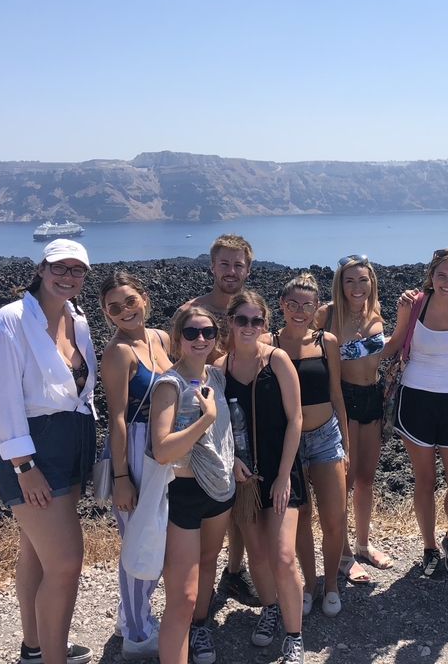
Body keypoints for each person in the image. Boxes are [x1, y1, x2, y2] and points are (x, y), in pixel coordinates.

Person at [0, 239, 96, 664]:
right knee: (65, 564)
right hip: (34, 450)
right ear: (41, 269)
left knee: (36, 548)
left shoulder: (76, 319)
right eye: (59, 267)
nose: (68, 276)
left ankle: (35, 647)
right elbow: (0, 399)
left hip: (72, 442)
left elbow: (79, 391)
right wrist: (24, 466)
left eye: (77, 270)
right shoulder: (9, 321)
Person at [149, 306, 236, 664]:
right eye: (191, 333)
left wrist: (234, 459)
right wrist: (206, 418)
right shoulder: (169, 385)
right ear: (178, 338)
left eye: (208, 332)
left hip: (220, 489)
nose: (200, 339)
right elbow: (162, 451)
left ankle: (200, 628)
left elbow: (225, 431)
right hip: (183, 494)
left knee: (209, 562)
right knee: (182, 598)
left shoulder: (216, 376)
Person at [222, 292, 306, 664]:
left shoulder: (277, 360)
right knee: (257, 553)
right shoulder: (219, 368)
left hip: (280, 471)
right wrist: (230, 463)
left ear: (265, 324)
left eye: (257, 321)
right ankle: (270, 608)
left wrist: (284, 476)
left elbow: (296, 419)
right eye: (242, 319)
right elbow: (215, 429)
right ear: (230, 322)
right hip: (242, 477)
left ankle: (294, 635)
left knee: (283, 556)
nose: (249, 327)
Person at [178, 233, 259, 606]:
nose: (231, 271)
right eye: (224, 264)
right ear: (212, 266)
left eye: (237, 265)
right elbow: (177, 366)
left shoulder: (249, 311)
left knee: (239, 501)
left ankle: (234, 572)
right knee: (205, 509)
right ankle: (197, 593)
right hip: (203, 424)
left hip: (243, 420)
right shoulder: (192, 313)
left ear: (248, 269)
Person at [314, 255, 404, 584]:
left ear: (371, 282)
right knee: (344, 482)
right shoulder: (327, 314)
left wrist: (406, 316)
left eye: (362, 280)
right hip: (345, 400)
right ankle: (343, 554)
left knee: (366, 479)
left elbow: (386, 349)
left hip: (373, 397)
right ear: (339, 283)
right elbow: (307, 350)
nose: (356, 287)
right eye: (349, 280)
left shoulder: (375, 311)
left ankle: (364, 545)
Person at [98, 272, 174, 658]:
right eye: (115, 307)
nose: (125, 311)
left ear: (143, 297)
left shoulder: (160, 338)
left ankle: (129, 616)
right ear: (106, 313)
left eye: (130, 301)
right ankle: (137, 633)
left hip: (161, 450)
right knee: (141, 541)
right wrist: (121, 477)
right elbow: (117, 419)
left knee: (153, 537)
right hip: (134, 451)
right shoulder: (118, 352)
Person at [394, 249, 448, 577]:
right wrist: (349, 348)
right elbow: (394, 343)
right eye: (441, 274)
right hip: (415, 399)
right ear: (431, 275)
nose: (447, 281)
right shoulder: (413, 304)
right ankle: (429, 547)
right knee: (426, 480)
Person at [273, 273, 349, 617]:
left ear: (317, 307)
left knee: (335, 518)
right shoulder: (269, 343)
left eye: (307, 305)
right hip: (288, 441)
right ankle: (310, 583)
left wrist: (346, 444)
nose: (299, 311)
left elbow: (336, 394)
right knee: (301, 516)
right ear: (281, 305)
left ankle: (331, 584)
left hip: (325, 437)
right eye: (293, 304)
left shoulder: (326, 342)